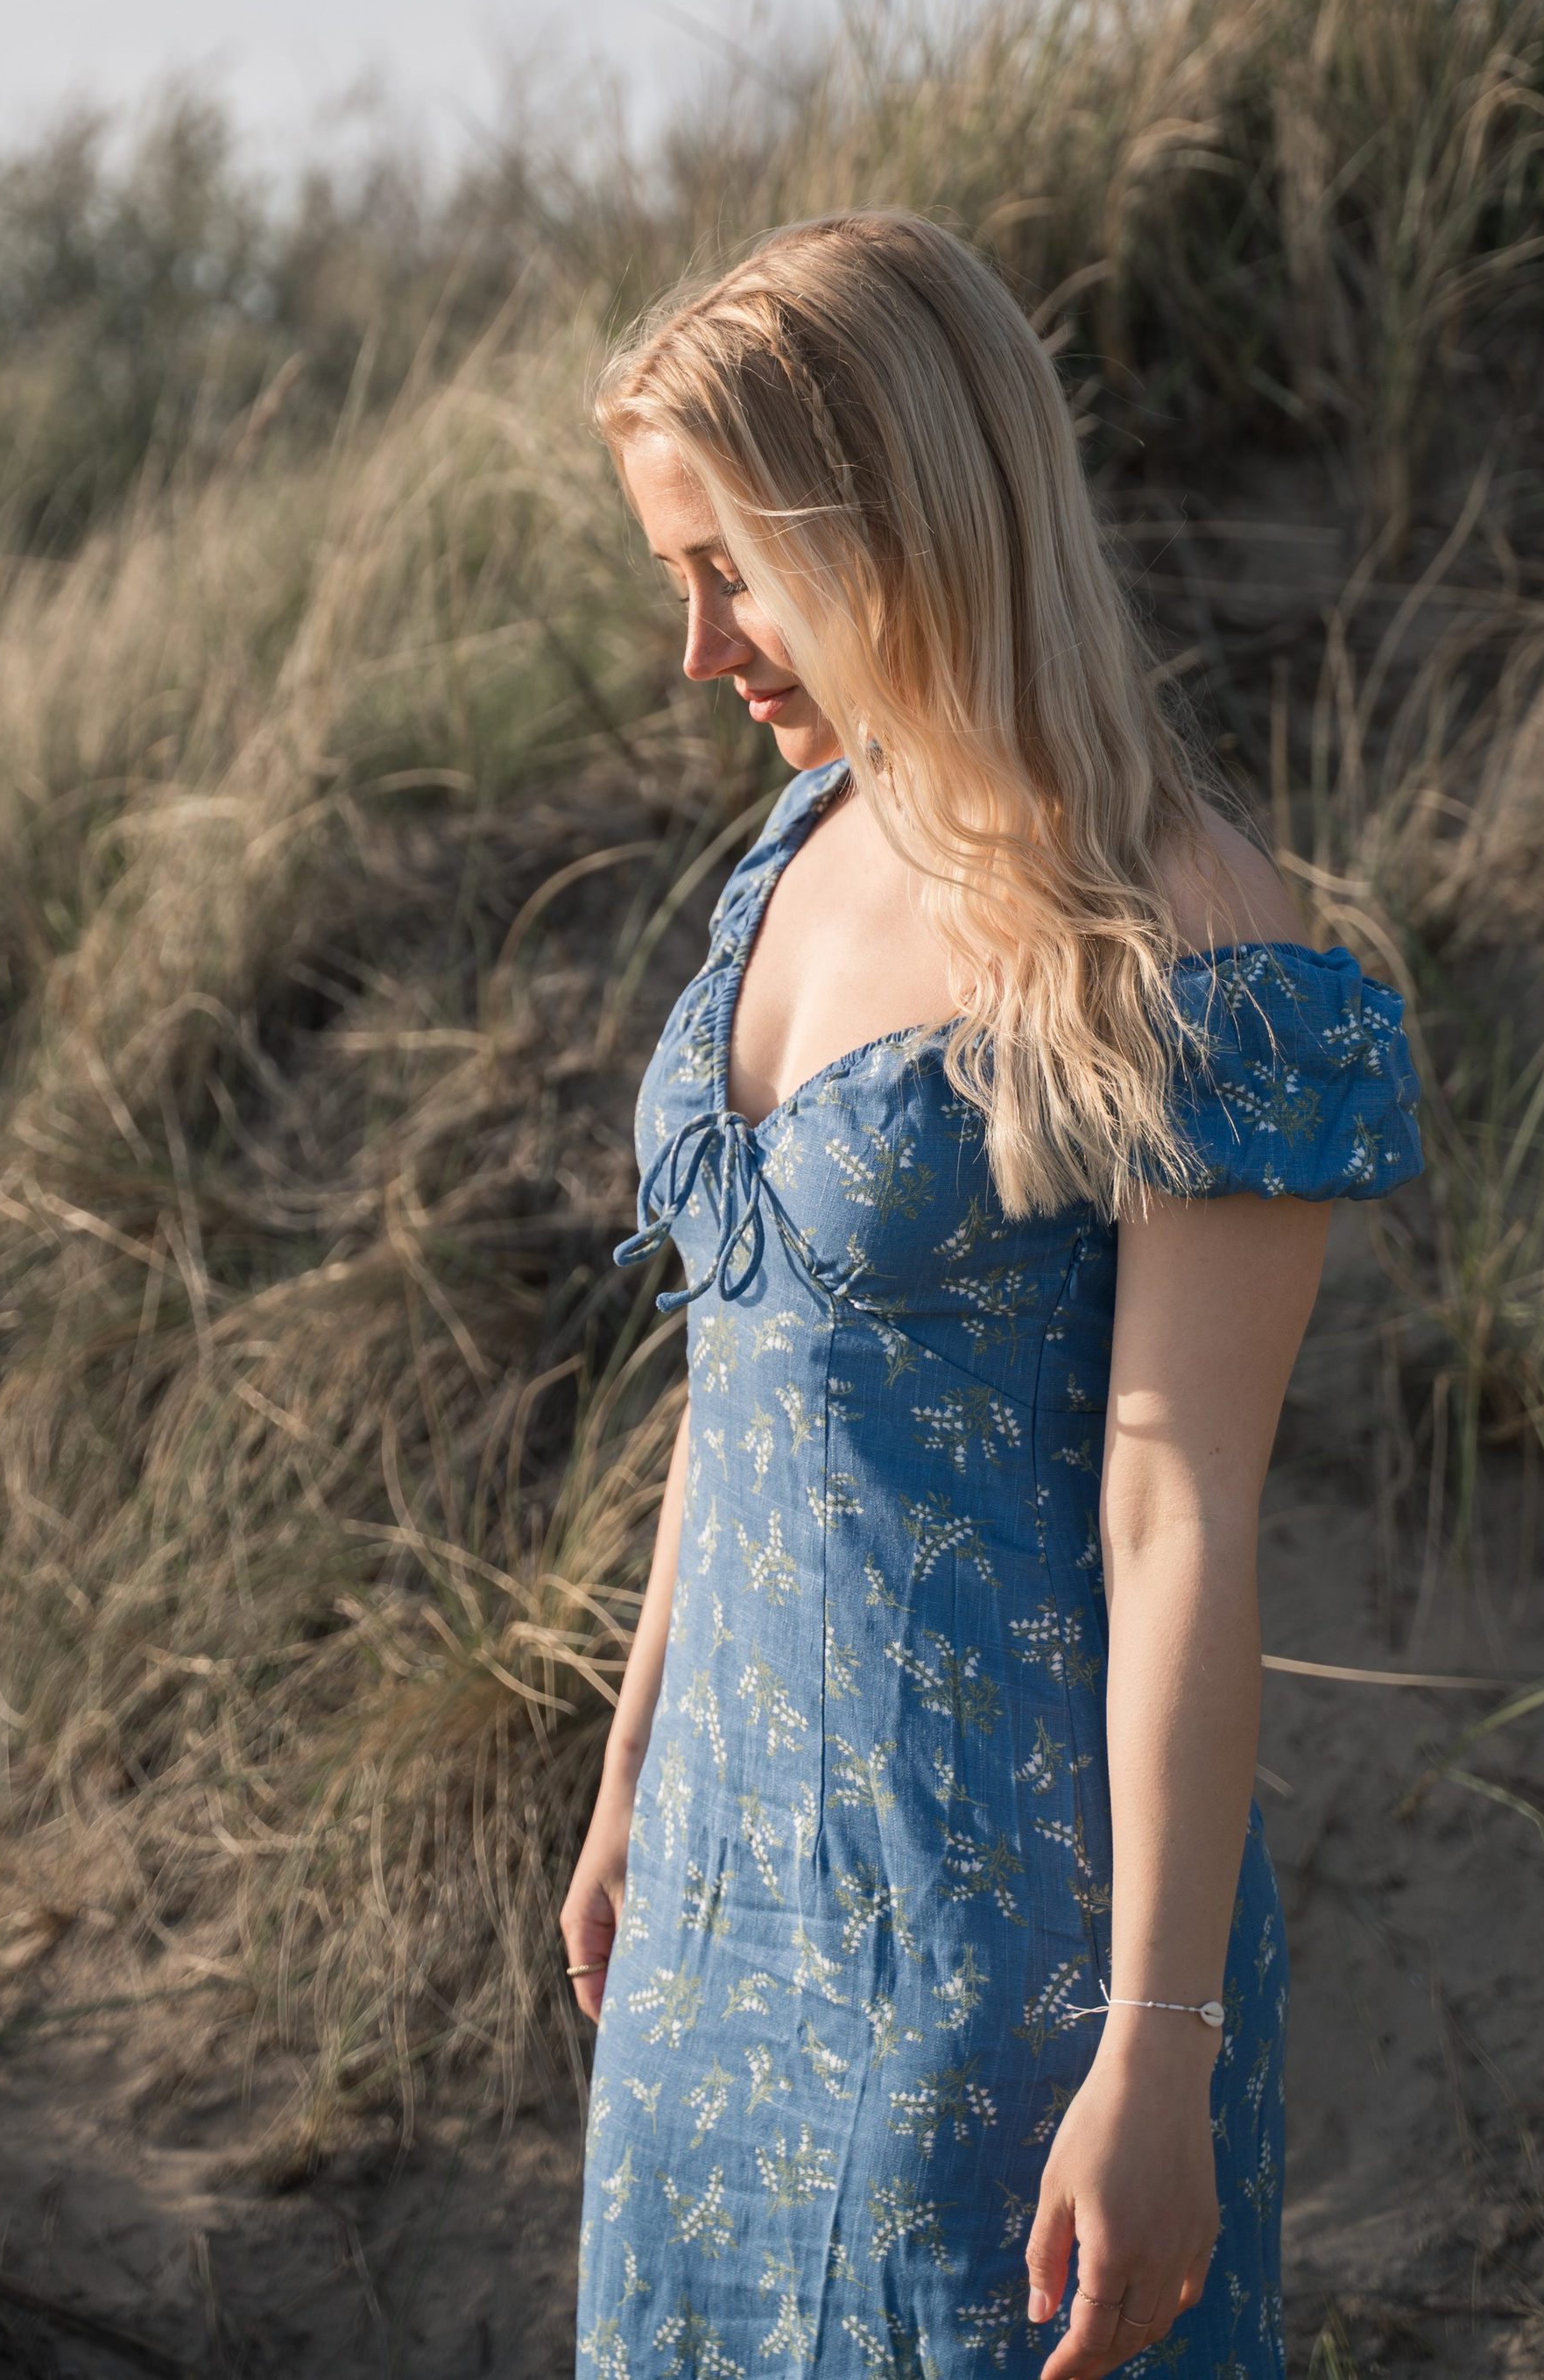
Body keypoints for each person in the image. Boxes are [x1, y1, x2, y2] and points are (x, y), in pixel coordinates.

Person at [560, 213, 1421, 2380]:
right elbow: (741, 1367)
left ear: (894, 520)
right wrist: (630, 1767)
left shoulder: (1178, 931)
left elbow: (1176, 1514)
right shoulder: (790, 847)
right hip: (717, 1908)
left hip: (1001, 1952)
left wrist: (1153, 2043)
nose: (696, 648)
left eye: (726, 569)